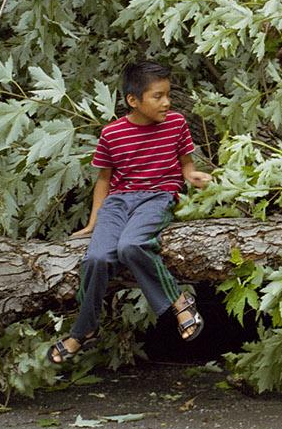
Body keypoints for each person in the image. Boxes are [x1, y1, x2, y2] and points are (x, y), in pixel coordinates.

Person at [48, 60, 212, 366]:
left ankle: (178, 300)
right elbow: (104, 180)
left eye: (168, 95)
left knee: (131, 245)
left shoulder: (176, 124)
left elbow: (186, 166)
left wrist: (194, 178)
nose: (167, 102)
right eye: (158, 96)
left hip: (159, 196)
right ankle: (86, 328)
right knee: (96, 258)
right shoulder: (112, 134)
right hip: (118, 202)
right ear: (133, 100)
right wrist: (94, 221)